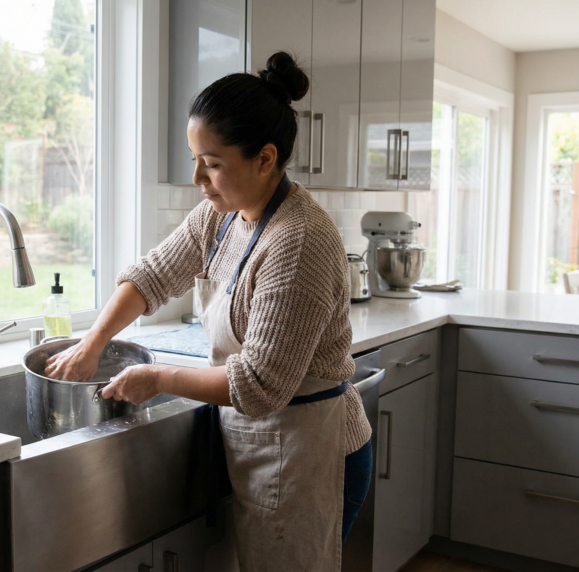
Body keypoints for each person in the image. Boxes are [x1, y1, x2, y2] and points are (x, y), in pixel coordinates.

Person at [44, 51, 373, 571]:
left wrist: (155, 377)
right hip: (263, 445)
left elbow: (260, 386)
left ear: (265, 158)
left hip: (310, 453)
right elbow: (151, 275)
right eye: (195, 158)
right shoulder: (222, 216)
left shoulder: (300, 239)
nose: (198, 176)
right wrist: (92, 345)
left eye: (213, 163)